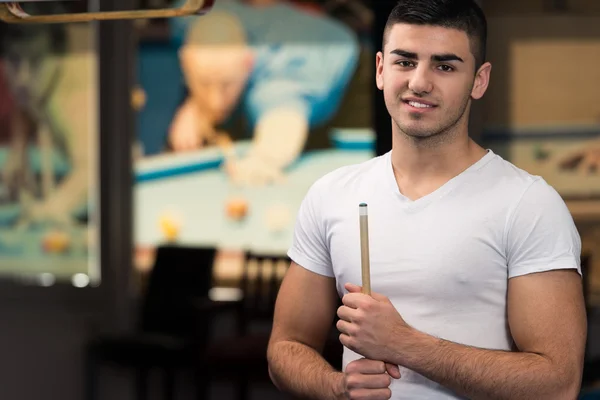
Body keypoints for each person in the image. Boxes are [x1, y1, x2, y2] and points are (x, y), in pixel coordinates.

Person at [267, 0, 588, 399]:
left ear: (479, 80)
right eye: (405, 62)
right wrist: (336, 387)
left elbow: (558, 384)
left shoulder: (528, 204)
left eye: (445, 66)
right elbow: (285, 347)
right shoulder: (331, 194)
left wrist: (403, 343)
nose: (419, 82)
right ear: (381, 69)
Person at [168, 0, 360, 186]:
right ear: (184, 61)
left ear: (248, 63)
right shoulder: (187, 15)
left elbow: (283, 117)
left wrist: (265, 160)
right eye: (204, 83)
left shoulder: (279, 77)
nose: (215, 101)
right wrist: (195, 103)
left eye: (226, 85)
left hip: (350, 68)